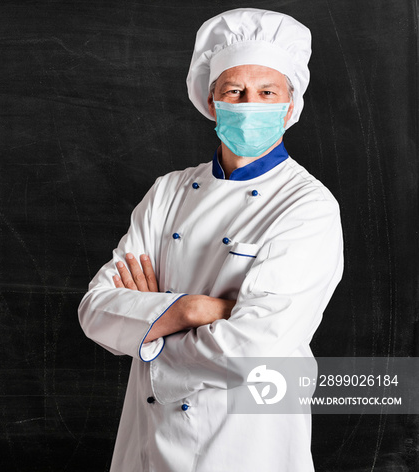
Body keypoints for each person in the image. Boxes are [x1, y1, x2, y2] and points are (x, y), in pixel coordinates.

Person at [78, 8, 344, 471]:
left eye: (266, 92)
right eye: (234, 91)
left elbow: (253, 351)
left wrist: (149, 326)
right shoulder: (168, 191)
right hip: (148, 434)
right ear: (210, 99)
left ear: (290, 104)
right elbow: (97, 310)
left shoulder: (308, 206)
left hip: (247, 436)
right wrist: (191, 310)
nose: (249, 104)